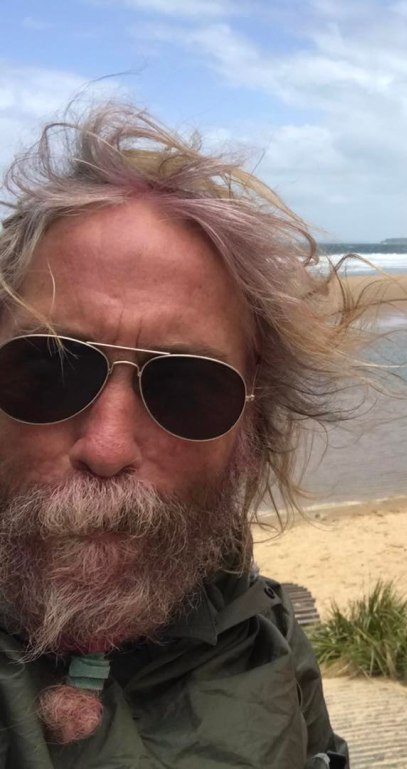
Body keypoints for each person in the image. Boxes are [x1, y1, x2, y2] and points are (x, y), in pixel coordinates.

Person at [0, 102, 374, 767]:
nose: (106, 448)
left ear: (250, 427)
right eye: (48, 370)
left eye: (188, 390)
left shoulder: (263, 635)